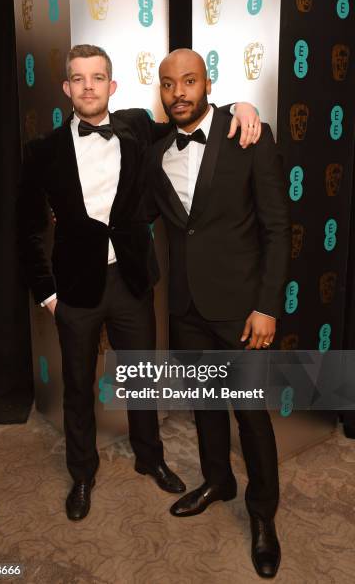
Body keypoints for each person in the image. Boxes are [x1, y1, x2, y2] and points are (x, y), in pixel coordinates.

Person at [17, 44, 260, 522]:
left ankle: (150, 457)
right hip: (75, 289)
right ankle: (82, 473)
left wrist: (241, 107)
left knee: (142, 379)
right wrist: (47, 294)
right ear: (67, 88)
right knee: (79, 386)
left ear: (113, 85)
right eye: (79, 79)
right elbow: (26, 230)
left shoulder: (136, 126)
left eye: (98, 77)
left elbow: (192, 116)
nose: (89, 86)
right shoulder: (42, 151)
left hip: (130, 281)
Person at [144, 49, 291, 578]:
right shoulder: (156, 149)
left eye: (188, 81)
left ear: (209, 83)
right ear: (158, 91)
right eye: (167, 84)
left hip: (241, 309)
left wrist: (266, 306)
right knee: (205, 407)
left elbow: (277, 228)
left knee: (250, 416)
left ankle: (262, 515)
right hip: (186, 307)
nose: (178, 92)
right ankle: (217, 480)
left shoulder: (247, 134)